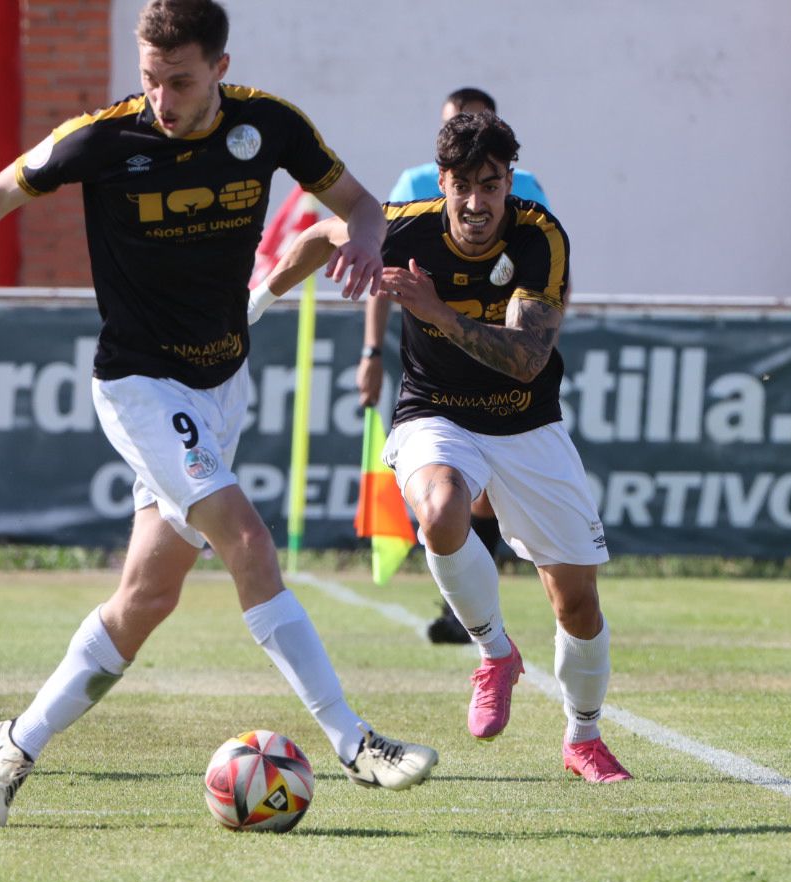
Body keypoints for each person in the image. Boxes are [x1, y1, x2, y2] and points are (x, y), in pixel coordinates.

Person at [0, 0, 438, 826]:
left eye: (180, 81)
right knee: (249, 544)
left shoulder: (271, 126)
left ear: (220, 68)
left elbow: (362, 204)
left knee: (147, 598)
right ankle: (355, 743)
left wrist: (365, 238)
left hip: (224, 387)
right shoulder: (104, 138)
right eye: (149, 79)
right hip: (140, 386)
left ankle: (17, 738)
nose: (162, 98)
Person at [253, 110, 630, 783]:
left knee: (575, 600)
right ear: (445, 183)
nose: (476, 204)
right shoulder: (408, 224)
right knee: (441, 507)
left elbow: (526, 360)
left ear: (510, 182)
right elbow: (317, 236)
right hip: (435, 415)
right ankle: (494, 653)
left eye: (490, 186)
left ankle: (584, 738)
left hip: (525, 421)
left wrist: (437, 313)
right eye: (463, 186)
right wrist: (252, 307)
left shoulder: (541, 237)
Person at [364, 88, 548, 644]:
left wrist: (540, 330)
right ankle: (471, 621)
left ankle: (474, 612)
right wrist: (371, 351)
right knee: (445, 497)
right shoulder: (415, 185)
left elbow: (548, 265)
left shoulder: (527, 192)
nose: (474, 194)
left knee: (491, 494)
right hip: (435, 369)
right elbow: (381, 266)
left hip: (502, 357)